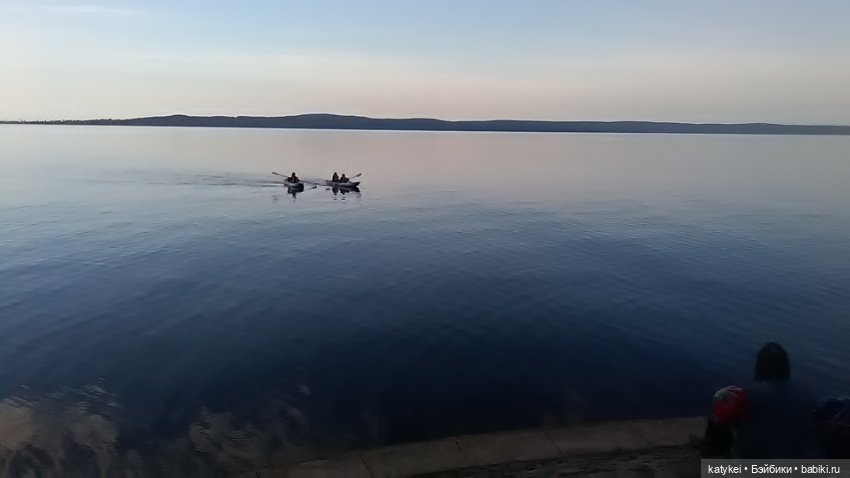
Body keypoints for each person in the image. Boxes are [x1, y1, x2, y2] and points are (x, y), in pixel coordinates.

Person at [697, 342, 822, 458]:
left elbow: (724, 415)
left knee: (719, 401)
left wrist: (719, 400)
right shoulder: (803, 390)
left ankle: (712, 450)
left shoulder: (751, 395)